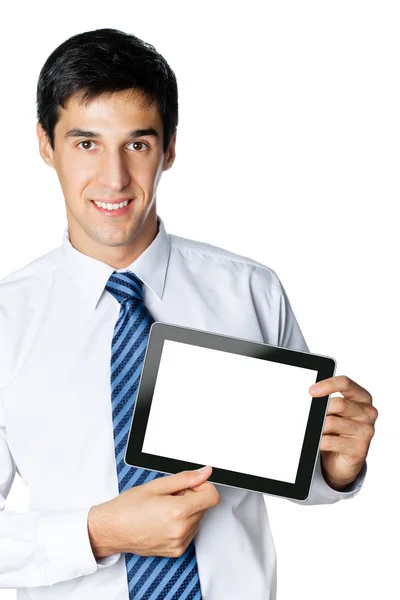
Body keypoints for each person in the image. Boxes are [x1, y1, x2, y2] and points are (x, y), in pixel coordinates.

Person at [0, 28, 377, 600]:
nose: (113, 178)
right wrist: (95, 532)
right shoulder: (8, 320)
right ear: (45, 145)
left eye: (137, 144)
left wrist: (337, 468)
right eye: (85, 144)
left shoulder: (250, 293)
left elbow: (302, 473)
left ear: (170, 148)